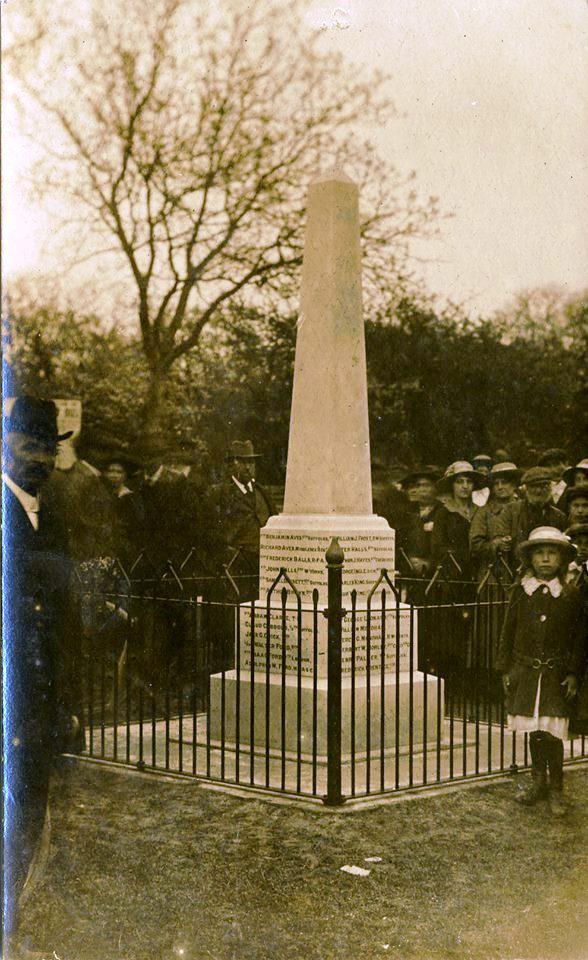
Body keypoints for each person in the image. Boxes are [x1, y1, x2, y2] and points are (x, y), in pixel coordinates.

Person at [3, 397, 84, 956]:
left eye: (48, 448)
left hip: (40, 699)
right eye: (28, 444)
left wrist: (68, 701)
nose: (38, 458)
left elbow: (60, 627)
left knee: (32, 814)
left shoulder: (48, 512)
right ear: (6, 441)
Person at [496, 526, 585, 816]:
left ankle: (556, 788)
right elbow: (508, 632)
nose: (546, 559)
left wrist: (573, 673)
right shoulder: (521, 592)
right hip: (526, 672)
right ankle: (538, 781)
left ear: (561, 560)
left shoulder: (570, 596)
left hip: (555, 675)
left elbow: (579, 637)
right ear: (531, 559)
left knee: (552, 732)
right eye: (540, 553)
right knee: (535, 730)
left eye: (552, 553)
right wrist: (506, 668)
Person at [208, 440, 276, 601]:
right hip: (234, 566)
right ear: (231, 465)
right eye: (244, 462)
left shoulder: (262, 492)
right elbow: (212, 531)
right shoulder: (220, 494)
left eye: (252, 462)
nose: (249, 467)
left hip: (262, 565)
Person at [493, 466, 566, 570]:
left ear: (550, 487)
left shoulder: (559, 516)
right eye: (533, 486)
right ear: (526, 488)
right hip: (516, 569)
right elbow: (498, 537)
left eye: (543, 485)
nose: (538, 490)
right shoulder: (511, 510)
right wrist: (502, 542)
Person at [431, 461, 485, 580]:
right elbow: (437, 546)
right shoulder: (444, 512)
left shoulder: (481, 511)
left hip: (479, 570)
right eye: (460, 482)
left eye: (469, 482)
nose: (465, 486)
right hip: (452, 571)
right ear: (452, 485)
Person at [469, 462, 521, 582]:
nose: (500, 487)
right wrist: (495, 544)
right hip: (494, 572)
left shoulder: (524, 508)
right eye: (496, 484)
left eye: (504, 482)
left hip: (521, 571)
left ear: (514, 485)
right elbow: (474, 545)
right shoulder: (484, 512)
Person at [399, 467, 442, 578]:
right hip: (409, 570)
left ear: (436, 488)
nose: (421, 489)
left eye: (426, 485)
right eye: (418, 486)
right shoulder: (406, 512)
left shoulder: (443, 512)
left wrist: (430, 564)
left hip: (436, 574)